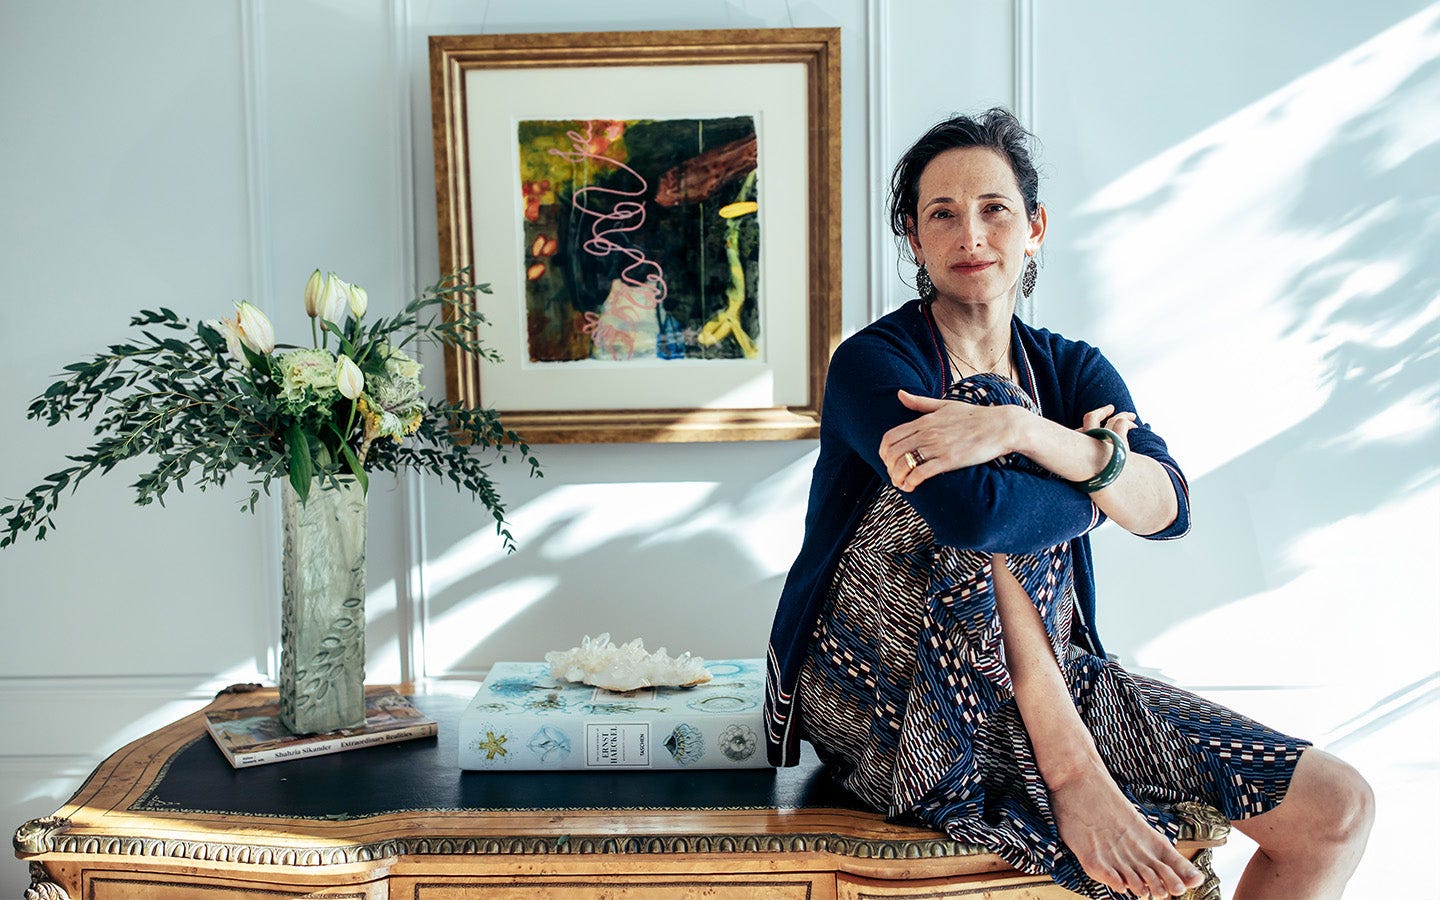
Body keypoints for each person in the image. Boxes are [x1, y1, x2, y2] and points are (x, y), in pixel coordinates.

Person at [763, 109, 1374, 899]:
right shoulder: (875, 364)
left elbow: (1164, 508)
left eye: (994, 209)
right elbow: (974, 516)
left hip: (1047, 673)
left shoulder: (1070, 367)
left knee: (1337, 809)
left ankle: (1066, 749)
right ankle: (1072, 769)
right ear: (914, 240)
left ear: (1035, 226)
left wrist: (1022, 430)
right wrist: (1094, 477)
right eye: (941, 215)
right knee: (979, 406)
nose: (970, 233)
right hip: (886, 696)